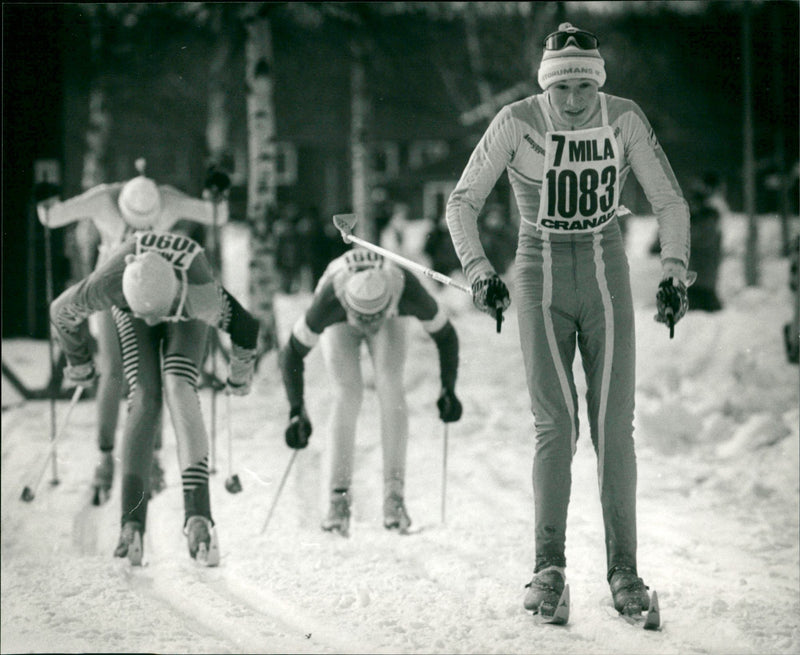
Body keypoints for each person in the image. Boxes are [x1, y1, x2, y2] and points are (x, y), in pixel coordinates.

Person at [445, 23, 690, 620]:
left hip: (605, 273)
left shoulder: (624, 117)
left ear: (598, 82)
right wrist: (478, 270)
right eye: (563, 89)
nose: (575, 100)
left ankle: (625, 571)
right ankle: (547, 568)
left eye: (584, 85)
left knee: (614, 428)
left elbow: (670, 200)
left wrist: (675, 273)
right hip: (539, 275)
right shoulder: (515, 120)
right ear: (546, 87)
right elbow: (461, 201)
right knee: (556, 425)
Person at [50, 229, 259, 566]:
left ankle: (198, 516)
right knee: (144, 397)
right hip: (130, 302)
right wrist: (80, 363)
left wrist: (240, 373)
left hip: (186, 308)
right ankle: (131, 522)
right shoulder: (107, 284)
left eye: (158, 314)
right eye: (148, 315)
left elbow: (246, 327)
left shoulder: (202, 294)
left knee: (179, 386)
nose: (152, 321)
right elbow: (60, 312)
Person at [37, 162, 230, 505]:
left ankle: (152, 457)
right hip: (111, 289)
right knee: (112, 372)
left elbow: (215, 216)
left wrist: (216, 194)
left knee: (149, 378)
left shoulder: (167, 199)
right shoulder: (101, 199)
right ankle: (104, 457)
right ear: (121, 207)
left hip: (153, 290)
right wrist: (46, 201)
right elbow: (53, 217)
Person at [278, 247, 463, 537]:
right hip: (341, 319)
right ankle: (337, 501)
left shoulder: (406, 289)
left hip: (389, 316)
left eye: (373, 319)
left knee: (391, 386)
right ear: (349, 308)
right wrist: (296, 410)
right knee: (347, 393)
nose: (368, 327)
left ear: (389, 303)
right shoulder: (330, 301)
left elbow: (446, 336)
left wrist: (448, 388)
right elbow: (290, 353)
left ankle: (394, 498)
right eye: (362, 320)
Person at [686, 175, 724, 312]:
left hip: (703, 281)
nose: (692, 205)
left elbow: (701, 240)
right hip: (698, 279)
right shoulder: (701, 218)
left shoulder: (708, 219)